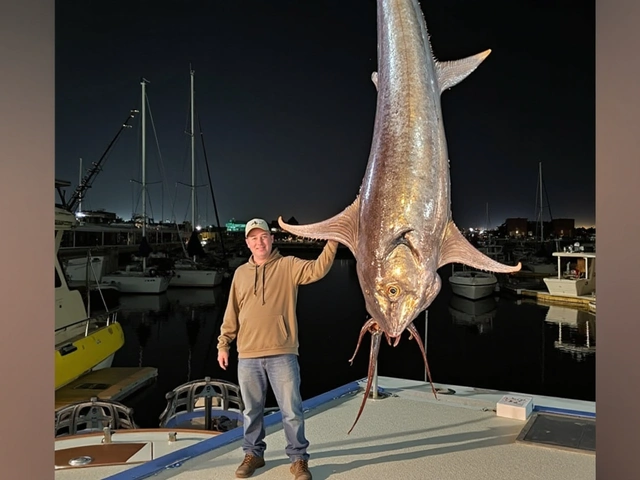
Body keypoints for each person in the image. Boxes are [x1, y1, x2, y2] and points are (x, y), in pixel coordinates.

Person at [217, 217, 338, 480]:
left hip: (282, 351)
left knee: (291, 410)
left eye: (264, 237)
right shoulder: (240, 274)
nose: (259, 242)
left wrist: (332, 241)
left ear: (272, 240)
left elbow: (318, 269)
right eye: (254, 238)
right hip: (248, 354)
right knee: (251, 410)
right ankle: (253, 454)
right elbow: (232, 313)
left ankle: (298, 459)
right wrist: (223, 344)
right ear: (248, 243)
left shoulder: (288, 265)